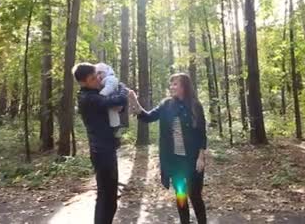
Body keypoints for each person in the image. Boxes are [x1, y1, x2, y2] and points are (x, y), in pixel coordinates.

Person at [128, 73, 208, 224]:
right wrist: (136, 106)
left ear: (184, 86)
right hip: (175, 161)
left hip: (192, 160)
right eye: (171, 84)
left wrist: (201, 157)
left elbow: (201, 133)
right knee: (180, 194)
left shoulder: (195, 106)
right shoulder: (166, 104)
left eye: (175, 84)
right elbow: (148, 116)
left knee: (195, 195)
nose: (172, 87)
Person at [73, 62, 129, 224]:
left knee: (109, 197)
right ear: (84, 82)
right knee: (107, 197)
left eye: (98, 74)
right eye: (93, 78)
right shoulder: (88, 98)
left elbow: (118, 106)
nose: (98, 79)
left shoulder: (94, 94)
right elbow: (118, 99)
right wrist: (122, 88)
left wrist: (119, 98)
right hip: (102, 152)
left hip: (106, 150)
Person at [95, 63, 124, 142]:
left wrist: (99, 96)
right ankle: (116, 131)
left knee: (113, 114)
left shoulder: (111, 79)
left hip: (112, 100)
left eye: (100, 73)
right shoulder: (105, 80)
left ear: (105, 72)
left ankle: (116, 129)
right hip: (110, 102)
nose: (99, 76)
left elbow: (108, 89)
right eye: (97, 73)